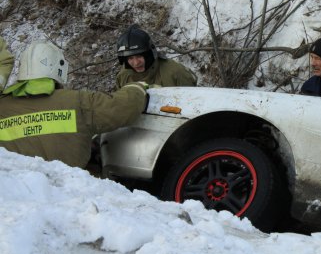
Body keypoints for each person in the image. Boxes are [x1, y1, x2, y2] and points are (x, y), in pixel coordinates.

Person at [0, 41, 148, 169]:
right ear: (59, 67)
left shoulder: (3, 106)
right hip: (69, 195)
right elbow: (121, 107)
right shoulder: (77, 101)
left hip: (18, 197)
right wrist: (137, 87)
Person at [115, 25, 197, 88]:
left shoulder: (176, 72)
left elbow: (193, 102)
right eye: (130, 58)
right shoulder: (124, 76)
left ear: (149, 54)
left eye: (139, 56)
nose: (136, 63)